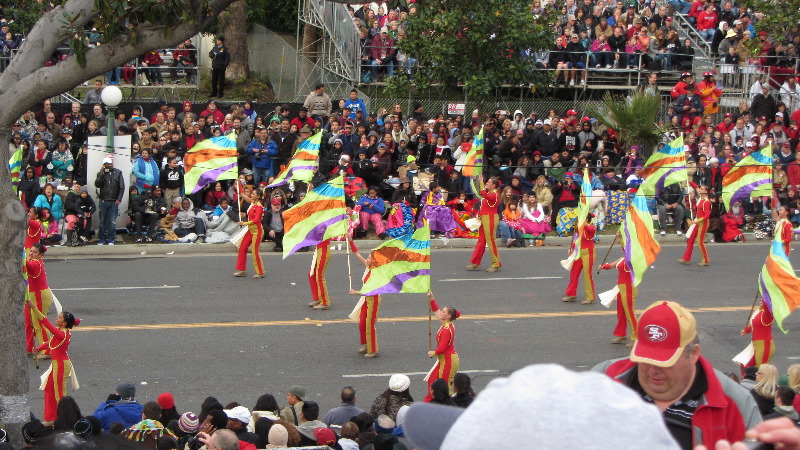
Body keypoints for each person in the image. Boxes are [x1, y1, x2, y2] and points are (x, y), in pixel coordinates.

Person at [592, 300, 762, 448]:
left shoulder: (736, 404)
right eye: (645, 358)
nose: (653, 370)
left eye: (664, 361)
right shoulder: (602, 381)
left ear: (694, 353)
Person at [25, 296, 78, 425]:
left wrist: (34, 308)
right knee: (49, 389)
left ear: (64, 323)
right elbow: (50, 342)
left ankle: (64, 420)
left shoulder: (61, 334)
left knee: (60, 394)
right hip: (57, 364)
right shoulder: (61, 332)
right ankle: (51, 418)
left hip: (60, 365)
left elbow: (45, 322)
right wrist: (39, 347)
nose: (57, 318)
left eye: (59, 318)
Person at [348, 237, 381, 358]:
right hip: (366, 300)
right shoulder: (367, 266)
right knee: (362, 323)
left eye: (369, 258)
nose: (367, 260)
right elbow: (356, 253)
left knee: (369, 325)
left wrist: (354, 292)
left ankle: (373, 350)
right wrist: (350, 240)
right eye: (367, 257)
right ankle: (367, 344)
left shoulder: (376, 273)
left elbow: (368, 291)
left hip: (373, 300)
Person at [424, 292, 460, 402]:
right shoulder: (446, 323)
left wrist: (433, 353)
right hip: (444, 360)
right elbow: (436, 310)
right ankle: (430, 401)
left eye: (443, 312)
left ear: (448, 316)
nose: (441, 312)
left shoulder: (446, 329)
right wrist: (432, 299)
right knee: (432, 381)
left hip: (448, 360)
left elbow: (442, 348)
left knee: (444, 387)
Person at [599, 246, 637, 348]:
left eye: (624, 247)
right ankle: (621, 334)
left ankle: (635, 337)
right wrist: (603, 267)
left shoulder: (632, 260)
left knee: (630, 313)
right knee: (621, 312)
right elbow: (612, 265)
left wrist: (621, 237)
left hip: (629, 288)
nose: (622, 248)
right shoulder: (622, 259)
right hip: (620, 287)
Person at [24, 243, 55, 355]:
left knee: (39, 323)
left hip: (39, 296)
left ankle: (47, 350)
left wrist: (20, 252)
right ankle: (29, 347)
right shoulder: (34, 262)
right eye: (31, 251)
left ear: (40, 254)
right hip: (32, 296)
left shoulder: (36, 263)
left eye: (35, 252)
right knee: (28, 322)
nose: (31, 253)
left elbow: (25, 263)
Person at [466, 176, 502, 272]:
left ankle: (496, 263)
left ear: (493, 185)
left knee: (491, 241)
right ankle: (475, 262)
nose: (487, 183)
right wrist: (478, 214)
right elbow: (483, 205)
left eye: (489, 182)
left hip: (491, 218)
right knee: (481, 241)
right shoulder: (490, 194)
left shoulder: (495, 195)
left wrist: (481, 183)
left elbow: (483, 194)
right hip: (484, 218)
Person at [563, 213, 596, 304]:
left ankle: (590, 297)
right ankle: (571, 294)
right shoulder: (579, 229)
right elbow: (577, 240)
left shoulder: (591, 227)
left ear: (587, 220)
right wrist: (571, 248)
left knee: (587, 275)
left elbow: (591, 231)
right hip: (579, 253)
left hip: (588, 253)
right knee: (574, 272)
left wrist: (584, 224)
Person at [94, 155, 125, 245]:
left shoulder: (118, 172)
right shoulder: (101, 173)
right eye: (106, 164)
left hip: (114, 201)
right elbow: (97, 184)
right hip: (103, 200)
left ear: (112, 164)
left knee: (112, 221)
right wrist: (101, 175)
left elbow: (121, 187)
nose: (108, 165)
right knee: (102, 221)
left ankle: (111, 238)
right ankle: (102, 238)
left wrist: (119, 199)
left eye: (109, 164)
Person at [234, 189, 265, 278]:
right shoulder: (252, 203)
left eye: (253, 194)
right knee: (242, 247)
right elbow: (246, 198)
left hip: (257, 230)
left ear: (258, 196)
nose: (251, 195)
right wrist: (239, 187)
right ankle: (242, 270)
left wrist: (244, 223)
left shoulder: (259, 207)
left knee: (255, 251)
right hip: (250, 230)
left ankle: (260, 272)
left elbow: (256, 219)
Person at [679, 184, 710, 266]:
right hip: (697, 221)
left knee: (700, 242)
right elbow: (696, 187)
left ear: (706, 192)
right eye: (700, 189)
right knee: (690, 238)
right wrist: (690, 182)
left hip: (703, 223)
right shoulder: (700, 198)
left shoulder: (706, 202)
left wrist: (696, 222)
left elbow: (706, 216)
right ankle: (686, 258)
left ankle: (705, 260)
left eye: (702, 189)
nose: (700, 190)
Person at [308, 239, 333, 310]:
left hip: (324, 251)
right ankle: (318, 298)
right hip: (319, 250)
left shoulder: (324, 227)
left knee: (319, 276)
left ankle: (325, 303)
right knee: (311, 274)